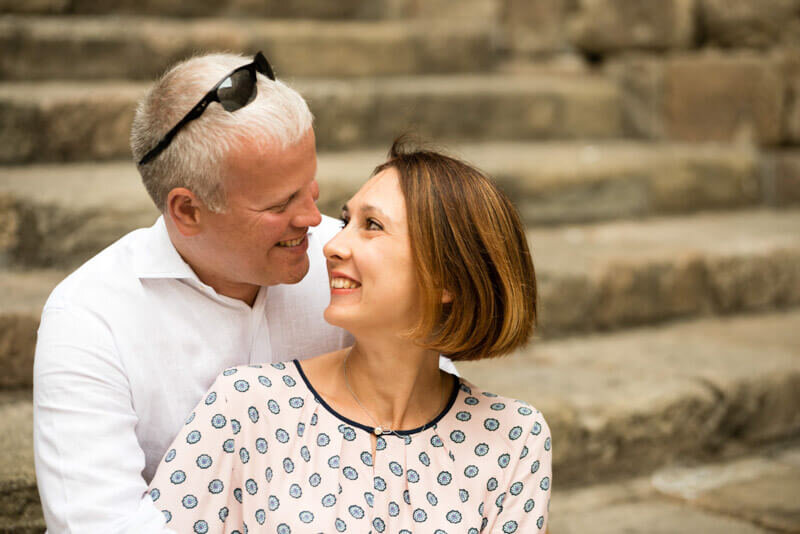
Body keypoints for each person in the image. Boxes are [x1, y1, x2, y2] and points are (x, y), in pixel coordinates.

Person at [32, 52, 457, 533]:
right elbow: (100, 525)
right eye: (280, 204)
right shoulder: (91, 319)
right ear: (188, 211)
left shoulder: (345, 263)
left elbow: (432, 413)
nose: (315, 221)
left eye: (312, 189)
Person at [146, 140, 552, 533]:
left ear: (446, 277)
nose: (333, 245)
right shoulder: (250, 405)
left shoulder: (513, 438)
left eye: (372, 226)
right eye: (346, 222)